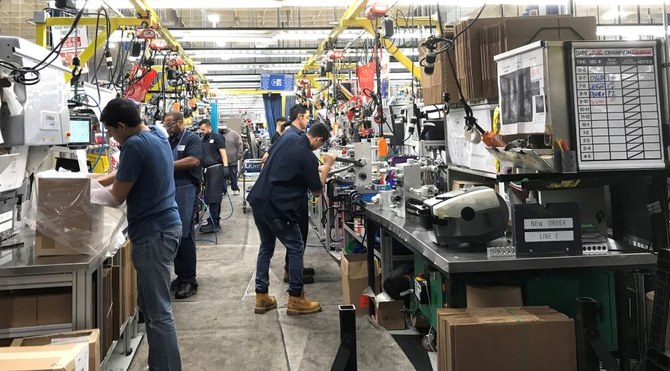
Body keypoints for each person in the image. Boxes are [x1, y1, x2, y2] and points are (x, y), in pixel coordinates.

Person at [97, 98, 182, 370]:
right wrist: (93, 181)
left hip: (153, 234)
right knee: (151, 304)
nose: (110, 136)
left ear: (121, 126)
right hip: (167, 226)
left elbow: (115, 198)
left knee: (158, 313)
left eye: (110, 131)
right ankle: (159, 364)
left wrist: (79, 199)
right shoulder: (156, 134)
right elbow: (123, 173)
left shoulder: (133, 146)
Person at [248, 121, 335, 316]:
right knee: (296, 247)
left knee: (266, 246)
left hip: (259, 200)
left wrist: (314, 170)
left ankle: (261, 296)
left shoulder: (287, 137)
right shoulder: (308, 157)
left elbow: (280, 163)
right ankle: (296, 298)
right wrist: (327, 167)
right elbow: (316, 192)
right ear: (320, 140)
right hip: (277, 207)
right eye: (321, 145)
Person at [164, 111, 203, 299]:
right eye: (166, 125)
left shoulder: (192, 139)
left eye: (170, 125)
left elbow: (194, 160)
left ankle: (189, 280)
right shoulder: (169, 140)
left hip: (186, 189)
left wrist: (166, 164)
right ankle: (181, 276)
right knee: (175, 234)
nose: (168, 128)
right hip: (172, 189)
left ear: (180, 122)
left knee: (185, 234)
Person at [199, 119, 229, 233]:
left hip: (216, 169)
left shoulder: (217, 137)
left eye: (203, 129)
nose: (201, 131)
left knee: (214, 197)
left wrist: (225, 166)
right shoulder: (204, 139)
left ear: (208, 127)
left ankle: (214, 223)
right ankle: (212, 220)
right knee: (210, 197)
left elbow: (223, 152)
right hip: (208, 171)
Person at [219, 124, 243, 196]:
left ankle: (235, 188)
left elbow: (240, 144)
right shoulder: (218, 135)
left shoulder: (234, 134)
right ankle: (223, 190)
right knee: (222, 176)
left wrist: (239, 154)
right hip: (221, 160)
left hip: (232, 159)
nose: (221, 131)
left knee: (233, 175)